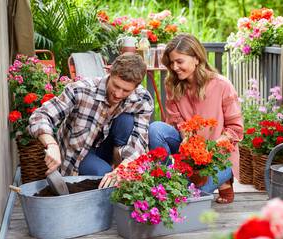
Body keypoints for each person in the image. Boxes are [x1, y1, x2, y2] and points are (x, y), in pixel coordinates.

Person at [28, 53, 153, 188]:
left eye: (126, 90)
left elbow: (139, 139)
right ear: (109, 73)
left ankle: (116, 169)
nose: (118, 94)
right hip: (80, 154)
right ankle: (106, 173)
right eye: (115, 86)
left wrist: (124, 168)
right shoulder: (81, 90)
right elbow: (40, 116)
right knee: (101, 176)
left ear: (135, 87)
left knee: (127, 120)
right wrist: (51, 145)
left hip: (114, 151)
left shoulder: (142, 99)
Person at [148, 34, 243, 204]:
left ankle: (224, 180)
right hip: (188, 153)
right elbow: (175, 121)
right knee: (155, 128)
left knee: (188, 196)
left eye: (179, 61)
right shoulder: (173, 85)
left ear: (196, 59)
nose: (174, 67)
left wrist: (210, 150)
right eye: (171, 63)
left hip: (218, 158)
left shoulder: (222, 85)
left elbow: (235, 129)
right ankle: (163, 180)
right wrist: (186, 138)